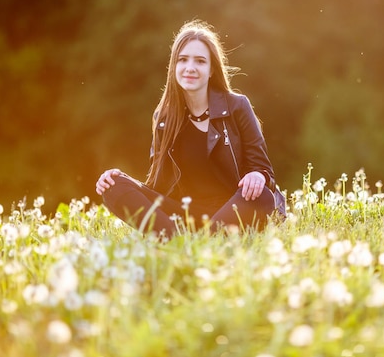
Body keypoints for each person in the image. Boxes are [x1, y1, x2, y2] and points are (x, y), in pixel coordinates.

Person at [95, 19, 281, 238]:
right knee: (113, 184)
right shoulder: (164, 118)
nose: (190, 68)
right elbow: (157, 184)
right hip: (185, 214)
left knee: (262, 197)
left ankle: (185, 242)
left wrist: (257, 176)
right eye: (183, 60)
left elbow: (263, 168)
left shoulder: (237, 106)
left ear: (212, 70)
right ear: (174, 66)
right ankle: (180, 239)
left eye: (200, 61)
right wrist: (124, 181)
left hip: (233, 209)